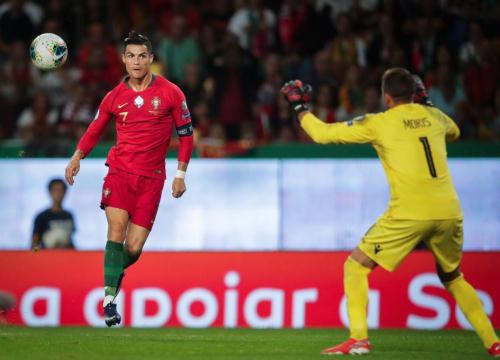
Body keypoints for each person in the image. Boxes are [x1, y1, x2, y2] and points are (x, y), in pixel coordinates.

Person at [280, 68, 499, 357]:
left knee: (355, 266)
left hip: (409, 213)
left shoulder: (379, 122)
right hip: (449, 211)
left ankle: (358, 340)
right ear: (414, 94)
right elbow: (455, 132)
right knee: (453, 276)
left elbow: (322, 134)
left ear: (386, 97)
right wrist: (427, 104)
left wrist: (299, 105)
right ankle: (493, 343)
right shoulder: (434, 116)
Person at [64, 31, 194, 327]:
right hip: (120, 172)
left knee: (133, 248)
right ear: (123, 59)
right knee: (117, 229)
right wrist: (76, 156)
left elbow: (186, 136)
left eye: (142, 56)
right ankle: (110, 301)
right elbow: (95, 128)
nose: (136, 62)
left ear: (151, 59)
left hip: (152, 179)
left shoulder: (172, 93)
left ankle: (112, 272)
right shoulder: (114, 97)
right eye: (131, 56)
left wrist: (180, 174)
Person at [32, 178, 75, 250]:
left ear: (65, 192)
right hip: (47, 257)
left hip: (66, 257)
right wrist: (36, 257)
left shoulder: (69, 215)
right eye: (55, 190)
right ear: (49, 192)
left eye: (61, 190)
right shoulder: (41, 217)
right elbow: (35, 243)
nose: (58, 194)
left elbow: (70, 239)